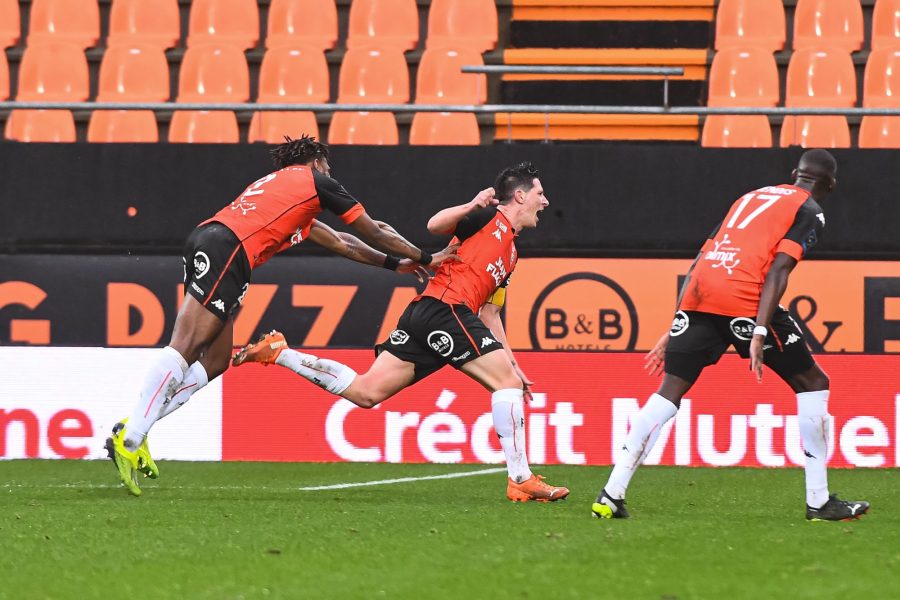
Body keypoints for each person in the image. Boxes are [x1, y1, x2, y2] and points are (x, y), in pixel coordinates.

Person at [106, 135, 456, 496]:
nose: (330, 172)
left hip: (217, 243)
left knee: (215, 360)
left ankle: (133, 426)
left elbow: (340, 242)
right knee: (185, 346)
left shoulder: (285, 195)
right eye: (328, 166)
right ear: (317, 161)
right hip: (229, 247)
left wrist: (394, 263)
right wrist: (426, 257)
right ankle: (131, 439)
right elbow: (372, 228)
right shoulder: (315, 182)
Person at [232, 162, 570, 503]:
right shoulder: (486, 218)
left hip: (426, 315)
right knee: (505, 386)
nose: (545, 202)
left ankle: (279, 352)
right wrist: (471, 204)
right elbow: (435, 225)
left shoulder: (511, 254)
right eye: (540, 194)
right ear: (520, 195)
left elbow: (492, 314)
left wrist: (513, 364)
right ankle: (521, 479)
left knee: (366, 393)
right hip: (445, 309)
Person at [592, 149, 869, 522]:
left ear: (794, 173)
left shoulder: (750, 196)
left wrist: (677, 319)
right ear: (830, 186)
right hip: (744, 295)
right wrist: (757, 329)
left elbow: (703, 255)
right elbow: (779, 270)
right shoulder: (810, 210)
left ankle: (611, 493)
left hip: (701, 290)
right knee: (813, 382)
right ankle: (819, 503)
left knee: (669, 392)